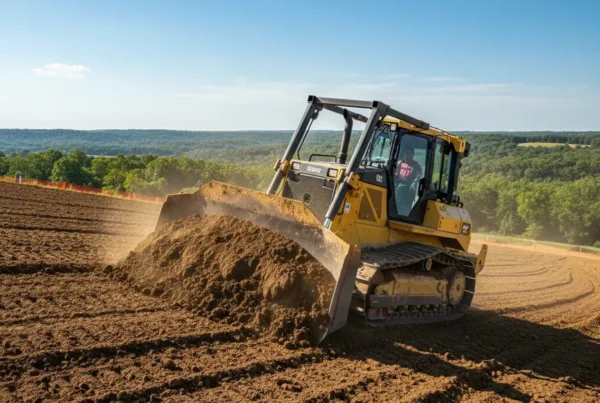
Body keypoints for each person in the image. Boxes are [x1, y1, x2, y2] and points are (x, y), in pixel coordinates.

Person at [394, 146, 423, 215]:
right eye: (406, 154)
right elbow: (395, 174)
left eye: (409, 154)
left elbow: (420, 175)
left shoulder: (416, 165)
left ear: (412, 155)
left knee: (402, 188)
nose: (407, 156)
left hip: (408, 185)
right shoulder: (400, 163)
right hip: (398, 182)